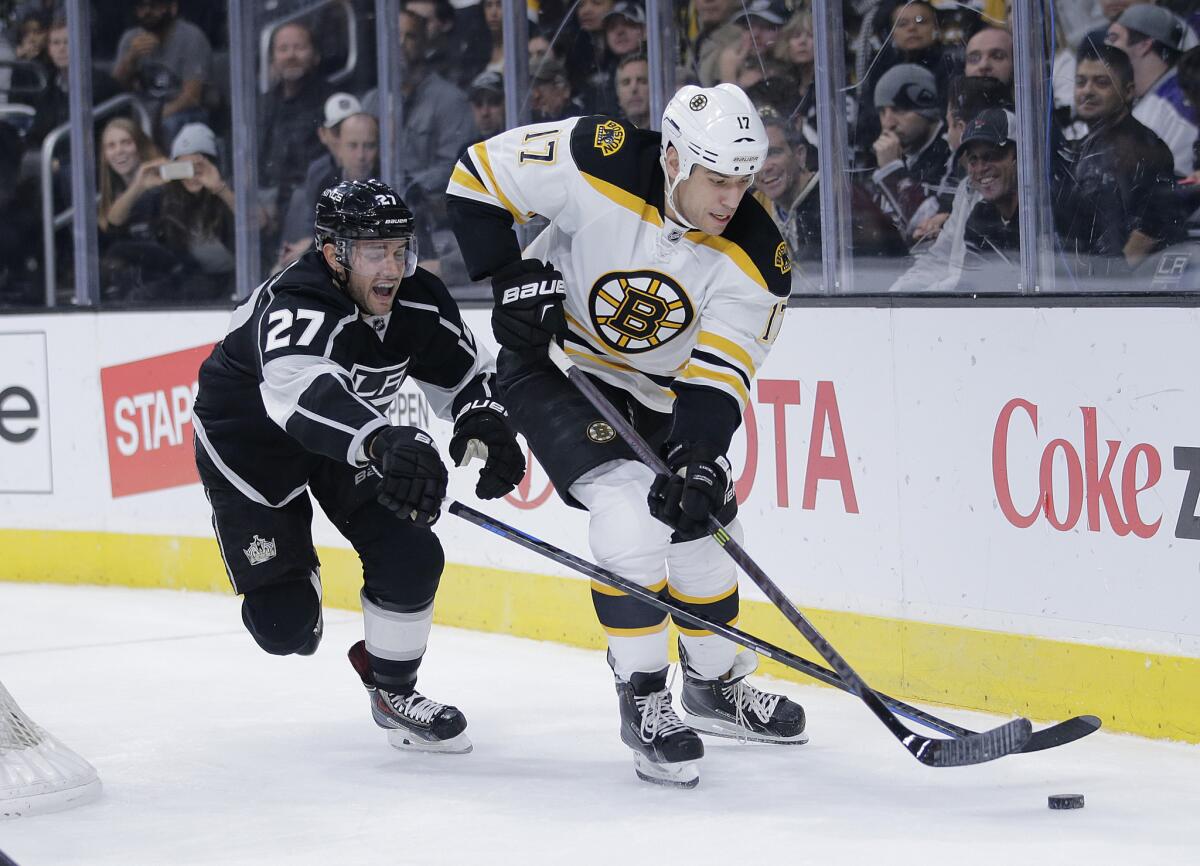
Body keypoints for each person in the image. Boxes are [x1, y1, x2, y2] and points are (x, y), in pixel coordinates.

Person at [446, 83, 806, 789]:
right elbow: (477, 175)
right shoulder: (600, 155)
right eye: (716, 179)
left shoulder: (761, 255)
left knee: (702, 525)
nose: (731, 199)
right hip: (557, 364)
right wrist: (511, 276)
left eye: (742, 181)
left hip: (663, 391)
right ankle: (643, 699)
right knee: (630, 515)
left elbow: (720, 373)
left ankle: (715, 687)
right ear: (673, 157)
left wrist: (701, 461)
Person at [192, 178, 525, 755]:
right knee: (284, 628)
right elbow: (302, 395)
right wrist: (381, 441)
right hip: (250, 446)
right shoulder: (297, 301)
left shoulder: (418, 299)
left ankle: (393, 690)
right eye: (375, 252)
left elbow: (469, 377)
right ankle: (295, 571)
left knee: (412, 552)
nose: (392, 268)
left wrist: (486, 421)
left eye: (399, 250)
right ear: (333, 253)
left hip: (351, 439)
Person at [1057, 42, 1181, 278]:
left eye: (1101, 82)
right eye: (1081, 82)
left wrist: (1110, 281)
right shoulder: (1086, 144)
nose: (1087, 91)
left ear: (1128, 91)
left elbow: (1149, 230)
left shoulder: (1144, 148)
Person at [1107, 3, 1198, 175]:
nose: (1106, 47)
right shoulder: (1151, 97)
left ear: (1144, 45)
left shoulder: (1177, 104)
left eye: (1113, 38)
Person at [869, 63, 951, 244]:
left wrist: (892, 172)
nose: (888, 123)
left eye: (898, 110)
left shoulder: (951, 152)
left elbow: (929, 226)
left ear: (926, 107)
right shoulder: (893, 152)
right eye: (882, 112)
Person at [112, 0, 213, 145]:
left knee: (168, 125)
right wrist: (130, 58)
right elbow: (114, 88)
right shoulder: (130, 39)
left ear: (172, 8)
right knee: (115, 127)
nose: (147, 12)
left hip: (183, 112)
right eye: (142, 7)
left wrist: (155, 117)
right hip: (142, 111)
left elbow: (192, 97)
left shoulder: (192, 37)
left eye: (154, 6)